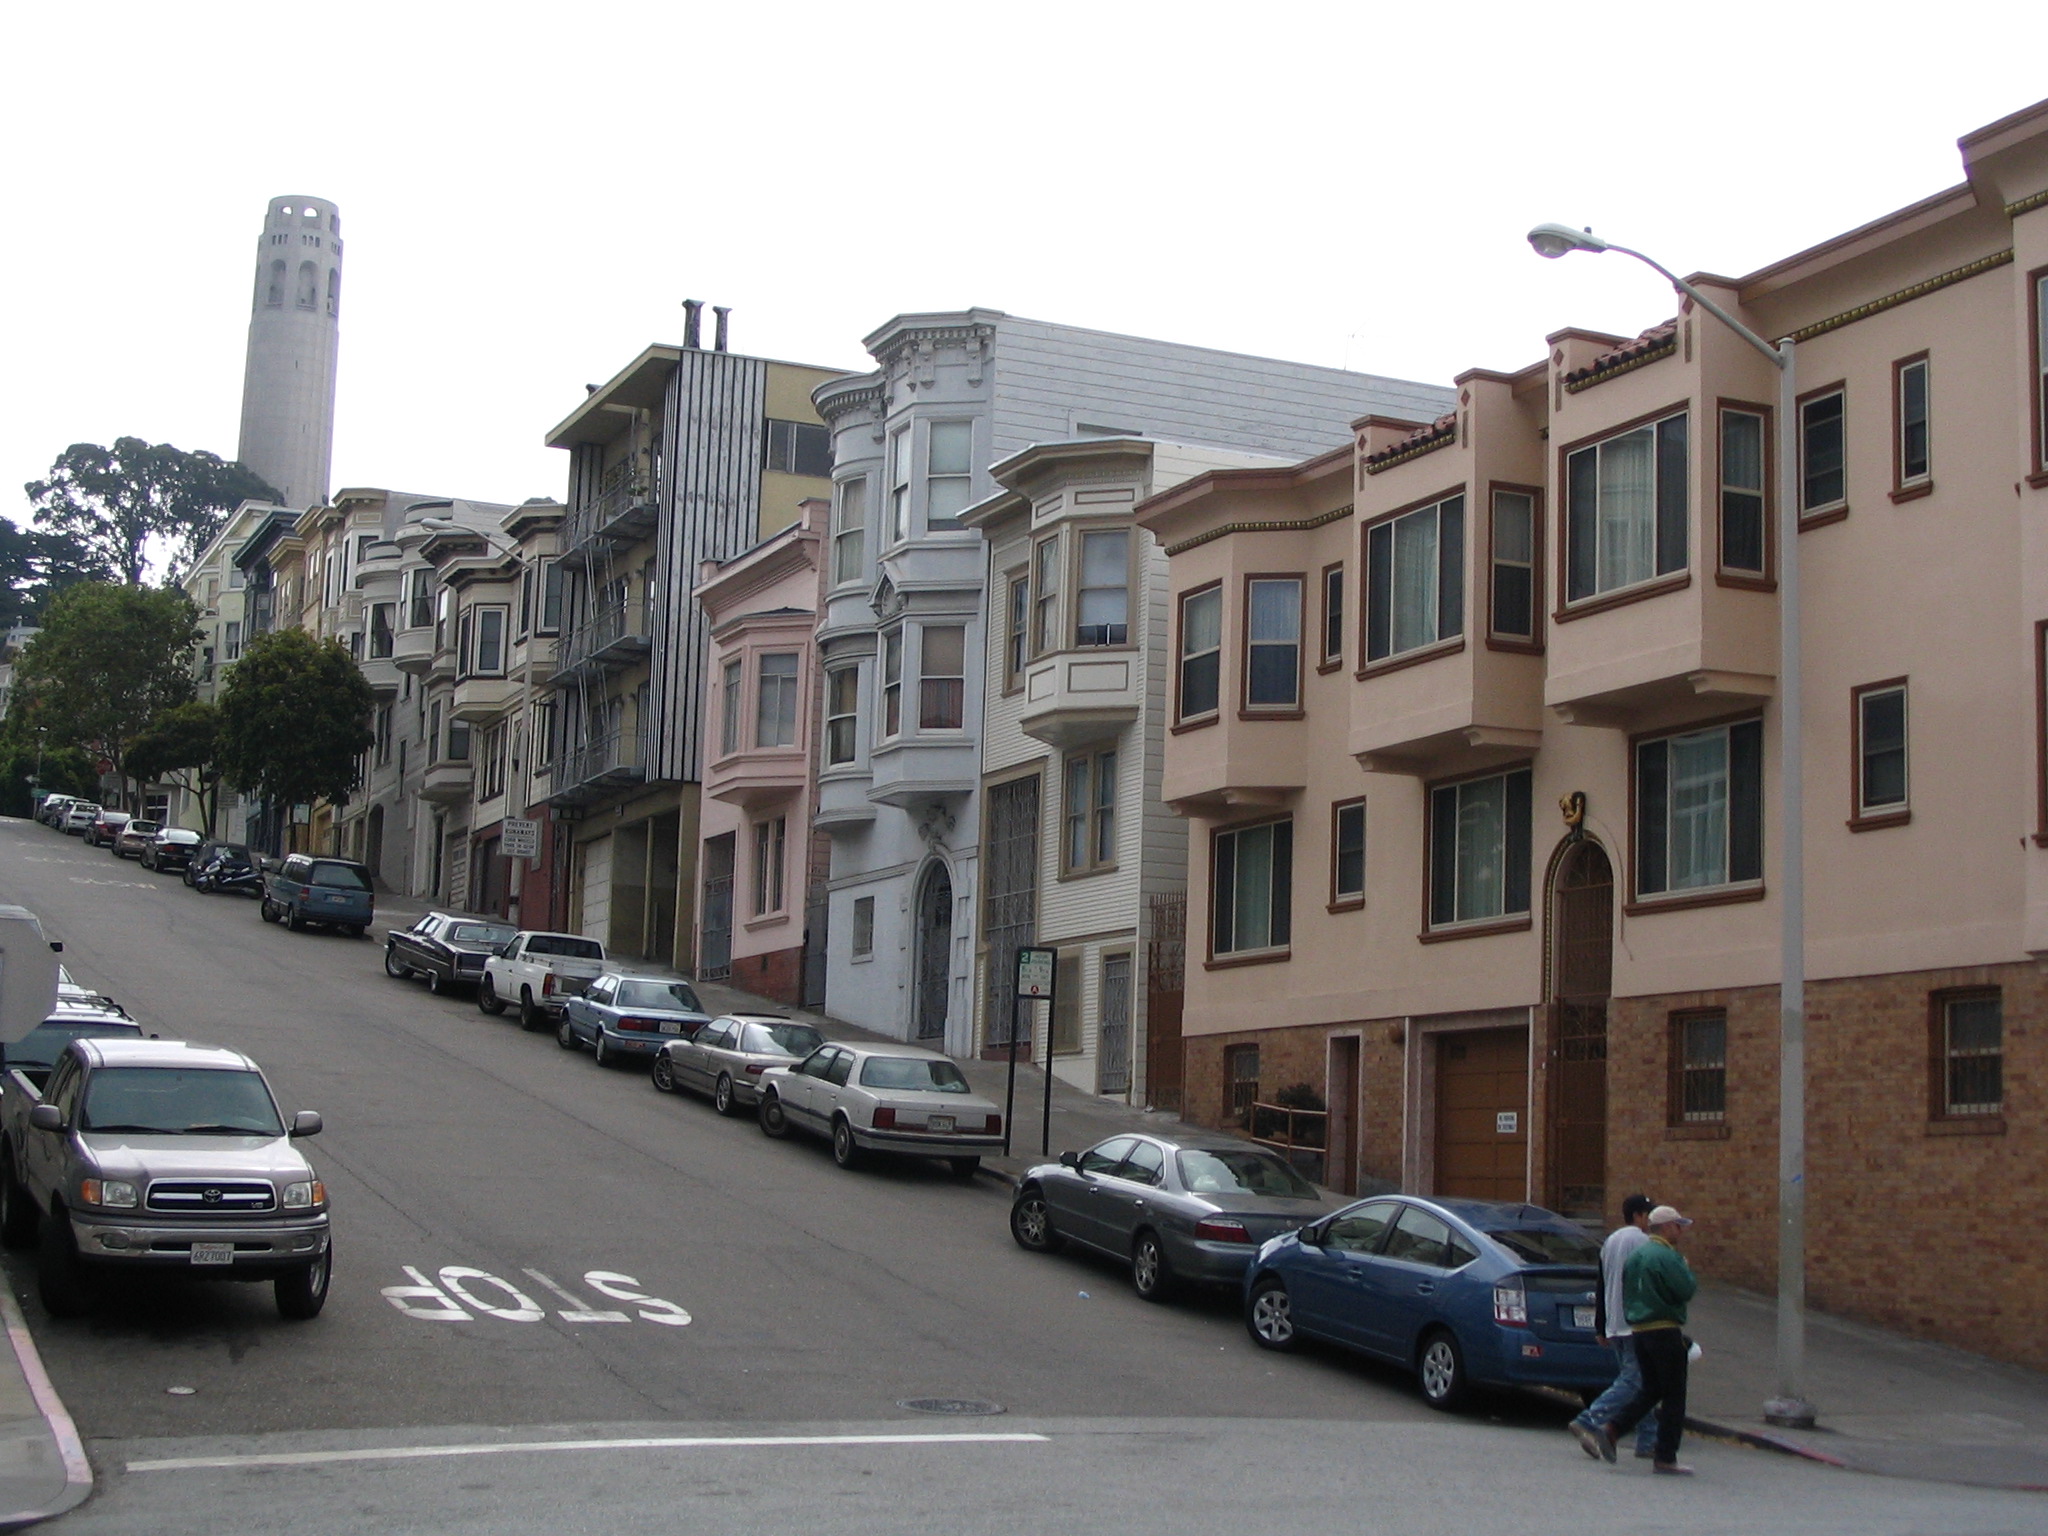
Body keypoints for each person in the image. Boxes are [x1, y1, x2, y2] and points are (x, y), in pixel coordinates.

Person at [1604, 1204, 1700, 1475]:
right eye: (1678, 1225)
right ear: (1668, 1227)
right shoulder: (1667, 1257)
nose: (1680, 1231)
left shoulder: (1637, 1256)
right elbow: (1686, 1289)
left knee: (1651, 1389)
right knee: (1674, 1396)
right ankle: (1665, 1455)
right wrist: (1686, 1270)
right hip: (1665, 1328)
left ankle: (1614, 1427)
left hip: (1639, 1329)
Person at [1569, 1193, 1659, 1461]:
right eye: (1648, 1214)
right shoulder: (1643, 1242)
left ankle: (1648, 1439)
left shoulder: (1610, 1241)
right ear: (1638, 1215)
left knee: (1644, 1383)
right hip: (1635, 1322)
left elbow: (1602, 1282)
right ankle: (1589, 1419)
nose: (1651, 1220)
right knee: (1634, 1380)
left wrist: (1601, 1325)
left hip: (1615, 1322)